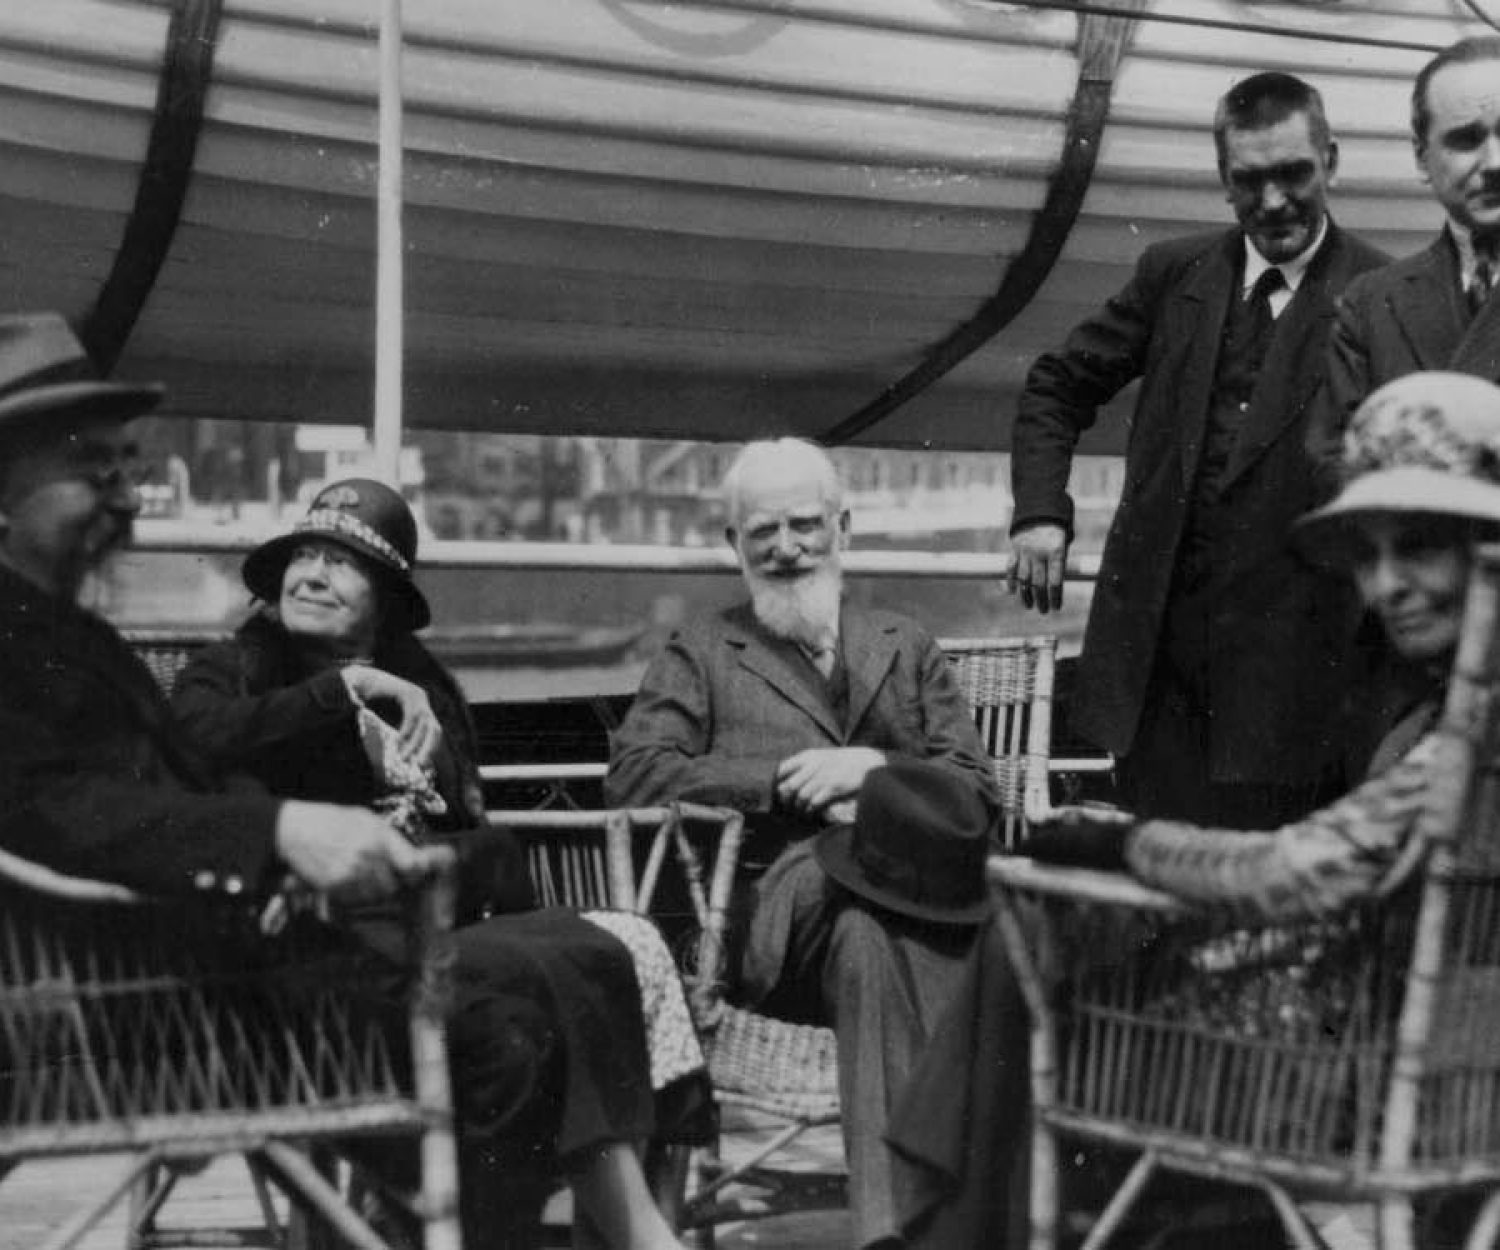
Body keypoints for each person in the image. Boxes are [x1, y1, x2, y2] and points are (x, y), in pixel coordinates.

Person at [0, 312, 689, 1250]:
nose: (124, 498)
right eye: (93, 469)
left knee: (543, 992)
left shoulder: (65, 632)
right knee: (507, 1030)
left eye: (128, 469)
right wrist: (286, 833)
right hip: (152, 1008)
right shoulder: (36, 640)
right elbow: (47, 808)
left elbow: (144, 791)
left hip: (207, 967)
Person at [889, 369, 1500, 1249]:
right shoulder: (1456, 721)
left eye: (1420, 549)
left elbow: (1300, 871)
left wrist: (1128, 844)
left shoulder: (1465, 738)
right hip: (1451, 1066)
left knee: (1035, 934)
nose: (1386, 585)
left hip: (1351, 1075)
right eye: (1369, 557)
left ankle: (955, 1225)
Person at [169, 477, 711, 1250]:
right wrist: (346, 689)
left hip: (431, 931)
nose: (312, 576)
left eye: (341, 564)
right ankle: (637, 1237)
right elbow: (190, 738)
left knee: (616, 946)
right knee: (546, 992)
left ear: (386, 600)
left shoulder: (427, 690)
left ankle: (607, 1232)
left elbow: (466, 824)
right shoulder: (235, 669)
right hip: (311, 956)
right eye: (304, 556)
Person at [604, 436, 997, 1250]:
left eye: (805, 525)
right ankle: (968, 1206)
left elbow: (977, 788)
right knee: (858, 888)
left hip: (887, 923)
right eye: (764, 532)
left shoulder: (904, 644)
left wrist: (874, 771)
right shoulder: (704, 650)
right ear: (734, 544)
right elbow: (636, 776)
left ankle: (895, 1233)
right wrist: (777, 780)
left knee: (867, 941)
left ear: (843, 528)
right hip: (775, 918)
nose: (787, 548)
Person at [1006, 70, 1389, 827]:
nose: (1272, 201)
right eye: (1249, 180)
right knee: (1159, 883)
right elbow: (1056, 384)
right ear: (1222, 178)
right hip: (1160, 688)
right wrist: (1040, 512)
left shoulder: (1381, 294)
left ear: (1332, 162)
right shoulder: (1172, 273)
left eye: (1293, 174)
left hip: (1304, 694)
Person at [1316, 37, 1500, 470]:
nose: (1495, 162)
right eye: (1466, 140)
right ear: (1421, 157)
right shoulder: (1371, 303)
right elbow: (1330, 464)